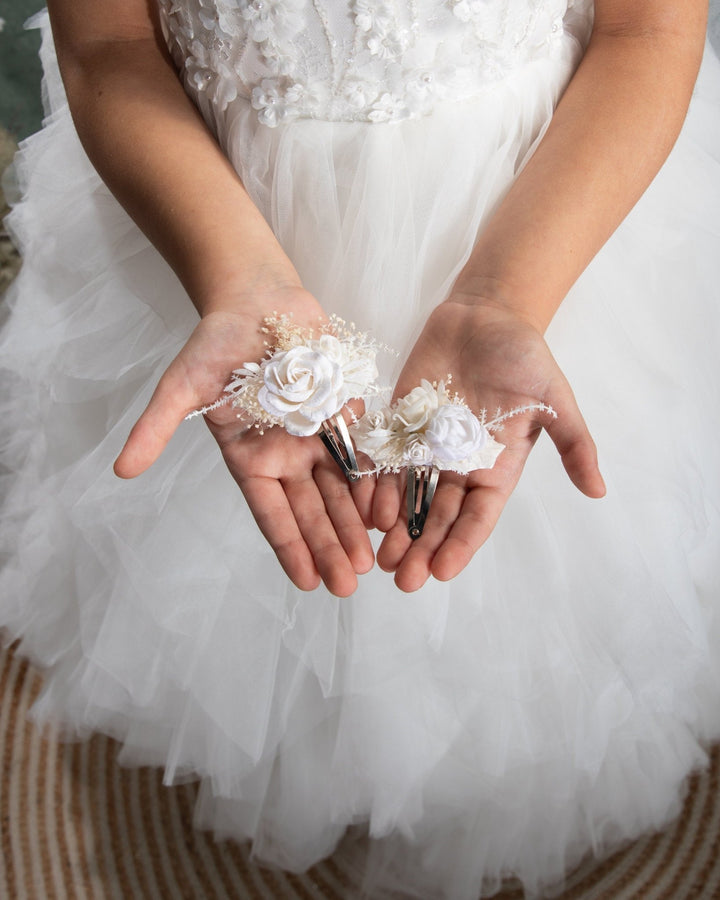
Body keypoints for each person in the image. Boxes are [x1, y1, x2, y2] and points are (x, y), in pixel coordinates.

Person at [1, 0, 719, 897]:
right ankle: (313, 759)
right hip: (212, 210)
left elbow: (647, 30)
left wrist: (506, 298)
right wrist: (238, 280)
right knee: (230, 567)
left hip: (542, 205)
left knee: (539, 583)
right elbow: (108, 44)